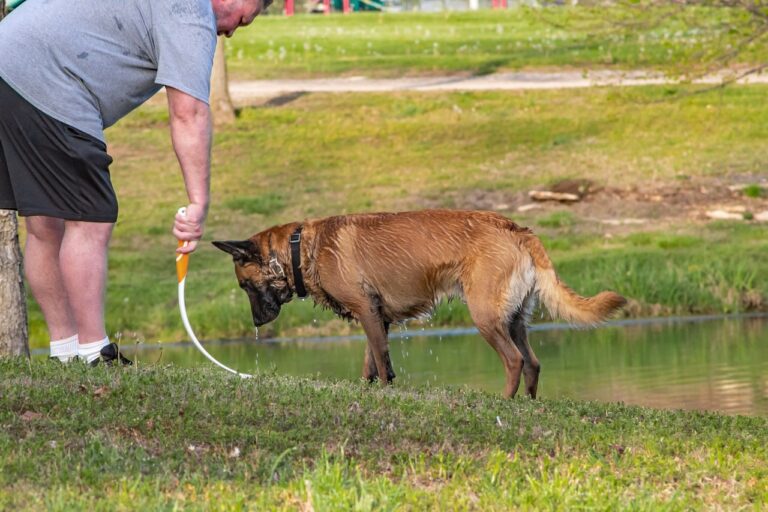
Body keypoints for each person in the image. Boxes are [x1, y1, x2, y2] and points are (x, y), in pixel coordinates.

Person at [0, 0, 269, 365]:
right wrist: (198, 203)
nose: (233, 30)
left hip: (9, 57)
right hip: (49, 80)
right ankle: (96, 353)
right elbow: (188, 113)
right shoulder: (192, 12)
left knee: (46, 221)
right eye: (245, 19)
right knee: (90, 218)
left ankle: (64, 354)